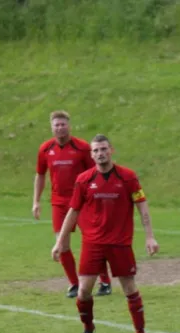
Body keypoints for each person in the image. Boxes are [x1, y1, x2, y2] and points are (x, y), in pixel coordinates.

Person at [51, 134, 159, 333]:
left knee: (129, 288)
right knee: (83, 291)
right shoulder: (83, 180)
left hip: (120, 243)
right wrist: (60, 241)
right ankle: (88, 329)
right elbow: (73, 211)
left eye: (103, 149)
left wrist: (149, 236)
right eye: (96, 151)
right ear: (91, 155)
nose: (100, 153)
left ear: (111, 150)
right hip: (93, 244)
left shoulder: (128, 177)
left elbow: (142, 205)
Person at [33, 110, 111, 298]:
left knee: (93, 242)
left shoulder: (82, 148)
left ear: (69, 125)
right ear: (51, 127)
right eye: (56, 125)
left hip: (83, 203)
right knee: (62, 244)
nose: (60, 127)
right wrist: (36, 201)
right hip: (59, 204)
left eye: (63, 124)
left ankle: (105, 282)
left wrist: (99, 197)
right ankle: (74, 284)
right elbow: (40, 175)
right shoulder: (45, 149)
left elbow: (96, 173)